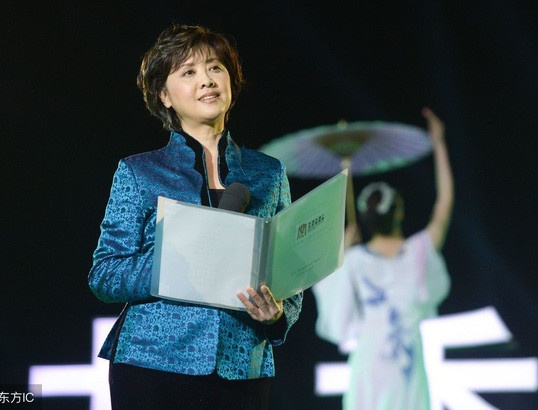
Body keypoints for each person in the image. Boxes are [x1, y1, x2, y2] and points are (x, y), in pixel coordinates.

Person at [88, 24, 302, 409]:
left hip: (243, 365)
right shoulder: (139, 172)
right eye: (188, 72)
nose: (207, 80)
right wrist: (170, 262)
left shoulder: (269, 173)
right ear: (164, 96)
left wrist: (278, 314)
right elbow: (105, 274)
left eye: (215, 67)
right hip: (153, 363)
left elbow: (291, 269)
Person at [312, 108, 453, 410]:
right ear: (398, 211)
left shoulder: (353, 260)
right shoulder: (419, 251)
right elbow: (444, 203)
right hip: (408, 364)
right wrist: (439, 144)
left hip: (370, 363)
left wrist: (341, 247)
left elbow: (326, 290)